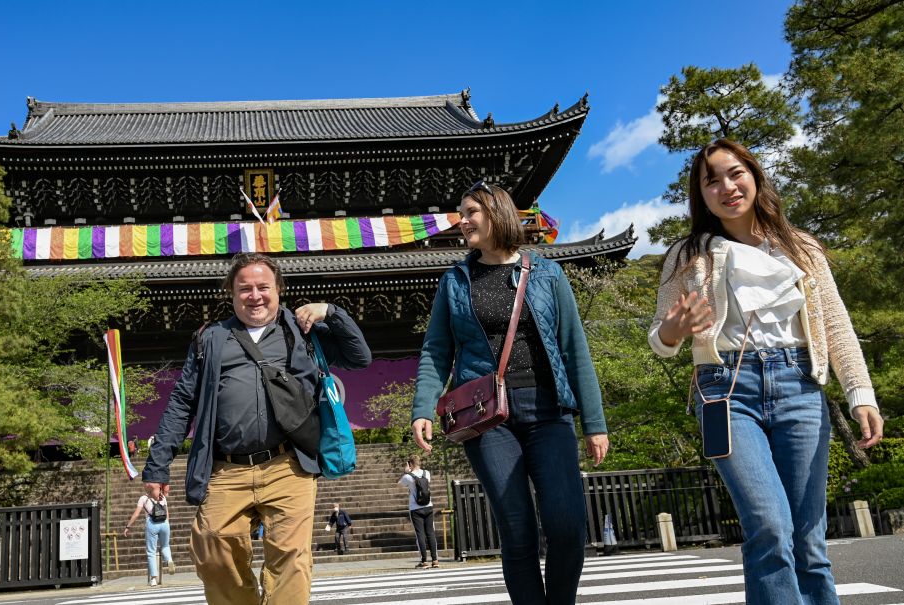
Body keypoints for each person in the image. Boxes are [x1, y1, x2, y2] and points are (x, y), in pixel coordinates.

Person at [649, 138, 883, 604]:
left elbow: (835, 324)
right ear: (702, 195)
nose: (726, 186)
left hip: (799, 384)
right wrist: (673, 329)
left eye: (735, 173)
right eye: (711, 180)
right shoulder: (688, 253)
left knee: (808, 539)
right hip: (726, 390)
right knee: (770, 524)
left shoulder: (802, 248)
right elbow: (660, 338)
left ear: (754, 177)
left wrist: (861, 393)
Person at [411, 181, 609, 605]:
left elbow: (575, 348)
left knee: (567, 524)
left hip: (548, 409)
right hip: (487, 416)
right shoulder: (455, 281)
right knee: (516, 527)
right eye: (460, 214)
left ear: (496, 212)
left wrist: (595, 422)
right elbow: (436, 349)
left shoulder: (547, 274)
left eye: (470, 212)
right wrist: (423, 406)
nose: (461, 222)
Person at [142, 252, 372, 604]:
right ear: (231, 294)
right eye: (244, 288)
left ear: (278, 289)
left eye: (263, 287)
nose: (255, 296)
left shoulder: (301, 330)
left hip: (288, 466)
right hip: (226, 468)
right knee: (212, 548)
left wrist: (331, 311)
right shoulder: (211, 338)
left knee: (291, 559)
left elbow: (360, 356)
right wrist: (158, 463)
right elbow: (181, 402)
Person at [122, 492, 174, 586]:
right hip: (165, 523)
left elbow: (136, 514)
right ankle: (169, 560)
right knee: (165, 545)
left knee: (151, 552)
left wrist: (128, 526)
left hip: (152, 524)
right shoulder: (162, 496)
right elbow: (167, 512)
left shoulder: (143, 498)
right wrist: (167, 524)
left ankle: (153, 579)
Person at [399, 456, 437, 568]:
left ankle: (424, 561)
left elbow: (399, 483)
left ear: (410, 464)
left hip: (415, 508)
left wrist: (405, 471)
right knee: (431, 533)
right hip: (428, 506)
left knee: (420, 534)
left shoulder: (407, 477)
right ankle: (435, 560)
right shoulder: (427, 473)